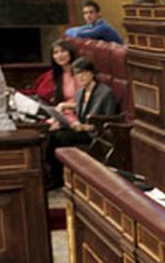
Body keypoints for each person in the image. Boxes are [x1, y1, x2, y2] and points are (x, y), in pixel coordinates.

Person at [44, 57, 118, 188]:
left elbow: (108, 121)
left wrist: (84, 127)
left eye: (84, 72)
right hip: (81, 129)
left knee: (60, 138)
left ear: (92, 73)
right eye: (77, 74)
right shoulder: (79, 93)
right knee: (51, 134)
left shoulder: (105, 93)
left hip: (95, 133)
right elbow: (80, 113)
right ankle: (53, 176)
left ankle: (57, 179)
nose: (81, 77)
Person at [20, 40, 78, 110]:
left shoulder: (80, 74)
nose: (60, 55)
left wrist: (64, 106)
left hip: (71, 112)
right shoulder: (50, 75)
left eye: (63, 51)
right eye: (55, 52)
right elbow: (33, 92)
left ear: (70, 52)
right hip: (47, 109)